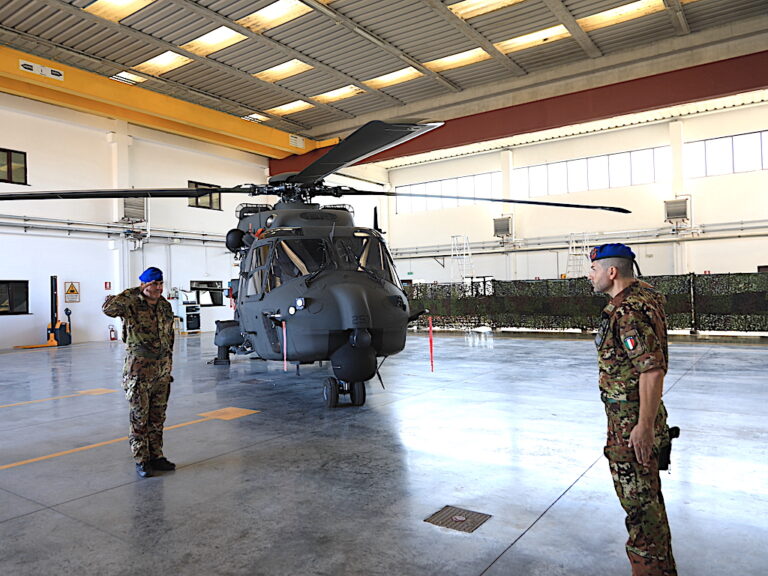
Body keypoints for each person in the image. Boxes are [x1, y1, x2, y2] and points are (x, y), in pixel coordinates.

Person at [588, 243, 677, 576]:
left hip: (631, 424)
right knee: (650, 505)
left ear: (612, 272)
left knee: (641, 511)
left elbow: (651, 369)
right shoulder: (645, 296)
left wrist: (642, 426)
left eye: (595, 269)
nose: (590, 275)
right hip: (638, 418)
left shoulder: (628, 311)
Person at [103, 267, 176, 478]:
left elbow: (169, 338)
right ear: (144, 285)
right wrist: (133, 292)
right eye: (154, 284)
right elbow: (108, 309)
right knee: (139, 418)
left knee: (157, 417)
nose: (159, 288)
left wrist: (168, 366)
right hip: (139, 371)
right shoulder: (131, 304)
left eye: (161, 283)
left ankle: (157, 456)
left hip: (161, 370)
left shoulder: (165, 306)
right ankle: (141, 460)